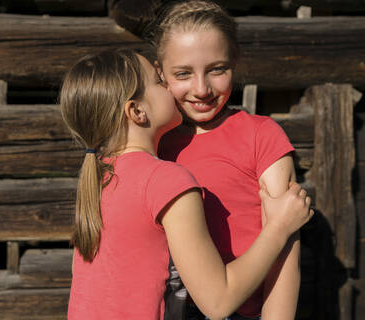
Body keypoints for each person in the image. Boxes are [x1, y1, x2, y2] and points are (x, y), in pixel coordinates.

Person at [61, 49, 313, 320]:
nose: (168, 86)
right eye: (159, 81)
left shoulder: (100, 178)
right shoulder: (165, 179)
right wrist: (279, 227)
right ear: (136, 111)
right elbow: (218, 302)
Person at [152, 1, 302, 319]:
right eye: (183, 74)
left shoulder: (261, 136)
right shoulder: (154, 142)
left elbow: (285, 250)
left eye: (217, 69)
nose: (202, 89)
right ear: (160, 72)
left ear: (234, 61)